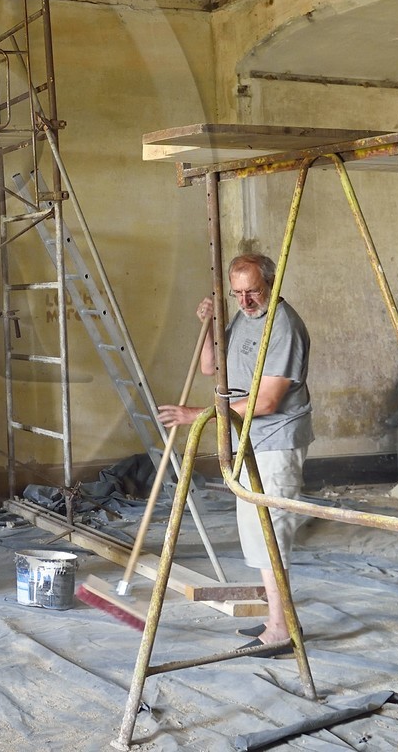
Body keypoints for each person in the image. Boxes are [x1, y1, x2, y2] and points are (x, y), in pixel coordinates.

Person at [156, 253, 312, 655]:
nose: (245, 301)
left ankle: (281, 630)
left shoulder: (283, 326)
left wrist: (198, 415)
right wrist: (208, 325)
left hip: (275, 440)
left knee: (270, 534)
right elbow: (211, 367)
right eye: (237, 293)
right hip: (247, 439)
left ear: (271, 285)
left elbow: (268, 401)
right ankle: (278, 620)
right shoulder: (245, 316)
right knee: (257, 535)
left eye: (253, 292)